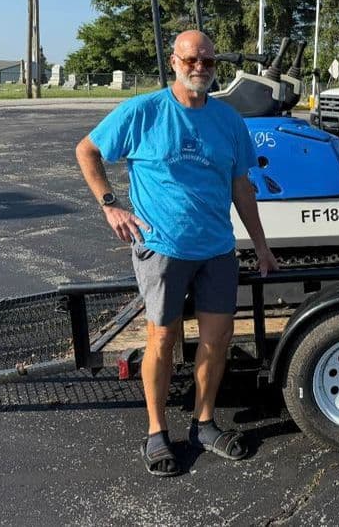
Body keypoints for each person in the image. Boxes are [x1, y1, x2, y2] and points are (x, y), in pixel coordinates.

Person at [75, 29, 278, 477]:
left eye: (208, 61)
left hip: (218, 250)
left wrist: (261, 247)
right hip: (162, 250)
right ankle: (156, 432)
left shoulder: (228, 120)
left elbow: (242, 187)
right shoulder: (144, 112)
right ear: (174, 62)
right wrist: (111, 206)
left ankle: (204, 424)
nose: (200, 68)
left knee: (217, 340)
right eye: (192, 60)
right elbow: (87, 150)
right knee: (162, 341)